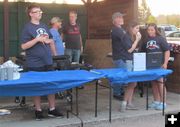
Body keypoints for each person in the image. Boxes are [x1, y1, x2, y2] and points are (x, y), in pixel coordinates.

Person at [20, 4, 63, 120]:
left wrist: (49, 43)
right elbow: (23, 46)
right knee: (37, 86)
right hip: (35, 62)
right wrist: (37, 39)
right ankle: (38, 110)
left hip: (47, 60)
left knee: (51, 84)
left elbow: (48, 40)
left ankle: (52, 109)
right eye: (37, 11)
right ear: (31, 14)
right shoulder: (27, 28)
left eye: (40, 11)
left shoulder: (44, 26)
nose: (39, 13)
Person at [111, 12, 141, 112]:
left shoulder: (121, 31)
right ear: (115, 20)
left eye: (122, 17)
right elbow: (128, 48)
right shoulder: (118, 31)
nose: (121, 19)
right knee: (125, 79)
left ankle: (126, 101)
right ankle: (119, 95)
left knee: (130, 81)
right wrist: (136, 40)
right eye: (119, 18)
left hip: (123, 57)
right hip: (122, 58)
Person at [142, 23, 170, 110]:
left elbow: (167, 51)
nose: (150, 31)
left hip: (159, 65)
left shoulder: (161, 39)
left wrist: (165, 63)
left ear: (155, 30)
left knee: (160, 82)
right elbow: (143, 53)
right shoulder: (146, 40)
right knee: (154, 83)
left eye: (152, 30)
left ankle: (163, 102)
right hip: (150, 66)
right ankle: (156, 101)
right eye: (148, 30)